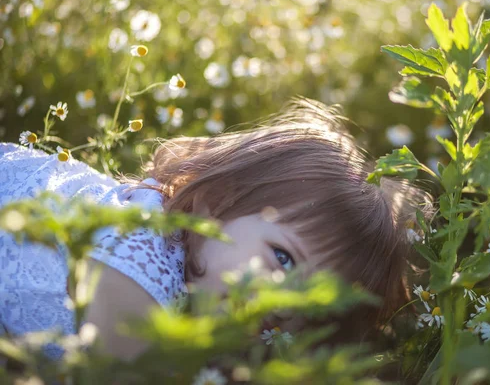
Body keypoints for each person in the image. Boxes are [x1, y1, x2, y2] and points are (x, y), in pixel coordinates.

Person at [0, 98, 432, 361]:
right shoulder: (142, 261)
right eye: (282, 258)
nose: (284, 302)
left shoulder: (197, 284)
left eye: (314, 302)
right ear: (214, 204)